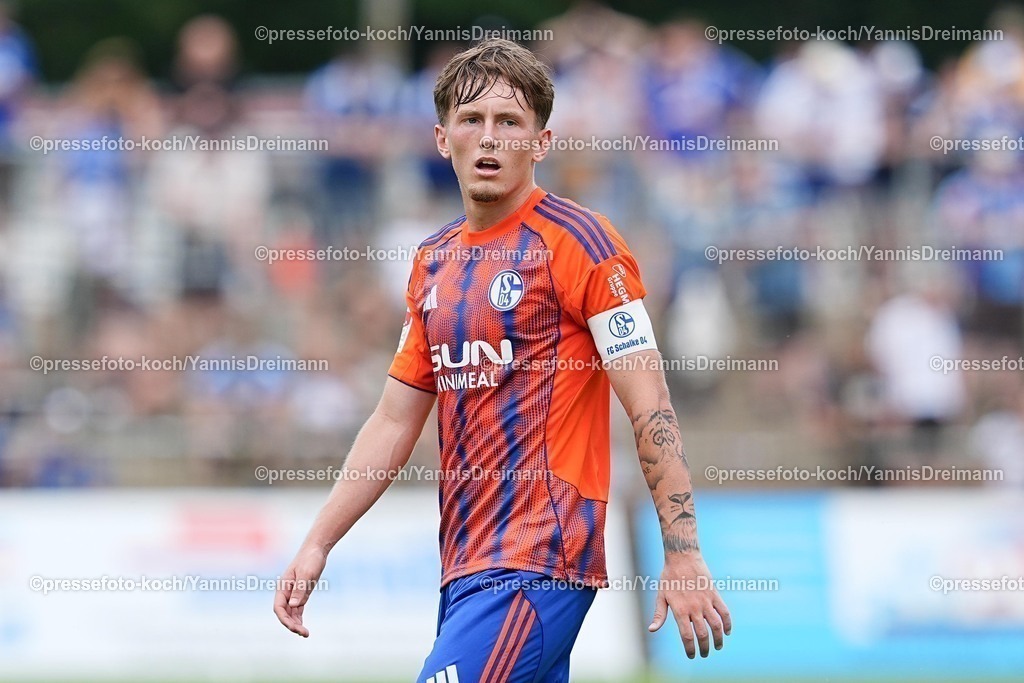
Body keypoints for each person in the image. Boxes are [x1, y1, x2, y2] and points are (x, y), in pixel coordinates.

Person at [274, 38, 731, 680]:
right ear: (442, 139)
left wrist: (682, 553)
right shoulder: (433, 261)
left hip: (538, 558)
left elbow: (650, 405)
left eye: (510, 122)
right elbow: (394, 419)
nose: (489, 137)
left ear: (541, 143)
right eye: (472, 119)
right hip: (465, 564)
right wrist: (318, 541)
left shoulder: (583, 243)